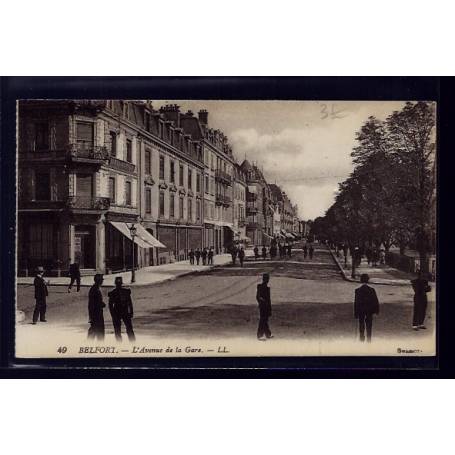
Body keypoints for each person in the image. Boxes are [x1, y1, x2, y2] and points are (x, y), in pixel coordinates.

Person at [108, 277, 135, 342]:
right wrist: (113, 314)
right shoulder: (114, 293)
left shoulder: (124, 292)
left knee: (127, 329)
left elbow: (129, 303)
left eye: (119, 284)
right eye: (118, 284)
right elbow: (110, 305)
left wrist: (131, 312)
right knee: (119, 330)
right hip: (118, 312)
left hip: (123, 312)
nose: (119, 285)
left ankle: (132, 342)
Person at [354, 274, 380, 342]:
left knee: (361, 324)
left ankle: (361, 338)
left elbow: (356, 302)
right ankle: (369, 339)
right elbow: (375, 301)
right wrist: (376, 310)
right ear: (368, 280)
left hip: (361, 310)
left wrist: (356, 313)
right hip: (369, 311)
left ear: (361, 280)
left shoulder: (357, 290)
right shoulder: (372, 290)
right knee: (369, 325)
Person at [88, 274, 105, 340]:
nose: (102, 282)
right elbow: (92, 303)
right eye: (101, 280)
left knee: (96, 330)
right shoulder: (94, 290)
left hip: (97, 313)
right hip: (96, 314)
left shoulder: (95, 288)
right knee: (97, 331)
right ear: (99, 281)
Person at [256, 273, 273, 340]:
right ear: (264, 279)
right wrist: (262, 301)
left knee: (264, 320)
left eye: (267, 279)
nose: (267, 280)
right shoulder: (260, 287)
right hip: (263, 306)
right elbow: (258, 296)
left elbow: (269, 300)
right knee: (263, 320)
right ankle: (260, 335)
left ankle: (267, 334)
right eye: (266, 279)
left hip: (265, 306)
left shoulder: (267, 288)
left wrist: (269, 308)